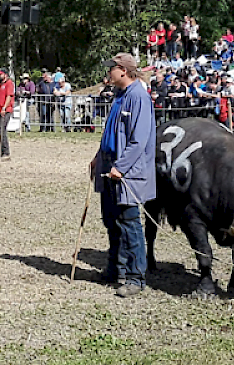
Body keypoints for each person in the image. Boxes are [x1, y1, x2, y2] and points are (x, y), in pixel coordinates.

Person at [90, 53, 156, 298]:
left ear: (124, 71)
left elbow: (139, 139)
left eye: (112, 68)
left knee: (129, 224)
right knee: (111, 220)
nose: (109, 73)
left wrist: (122, 166)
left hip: (127, 173)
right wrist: (98, 157)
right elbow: (110, 133)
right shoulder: (119, 96)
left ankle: (135, 277)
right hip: (109, 167)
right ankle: (114, 270)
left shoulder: (138, 97)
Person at [0, 68, 15, 161]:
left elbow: (9, 96)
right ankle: (3, 152)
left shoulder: (9, 83)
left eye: (1, 74)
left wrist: (4, 107)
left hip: (6, 110)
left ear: (5, 74)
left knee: (2, 129)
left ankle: (6, 153)